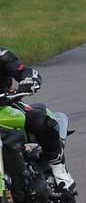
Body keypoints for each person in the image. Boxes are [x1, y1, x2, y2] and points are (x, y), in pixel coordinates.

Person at [0, 47, 74, 191]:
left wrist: (28, 81)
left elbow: (24, 72)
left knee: (38, 120)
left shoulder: (2, 55)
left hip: (5, 105)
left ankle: (58, 167)